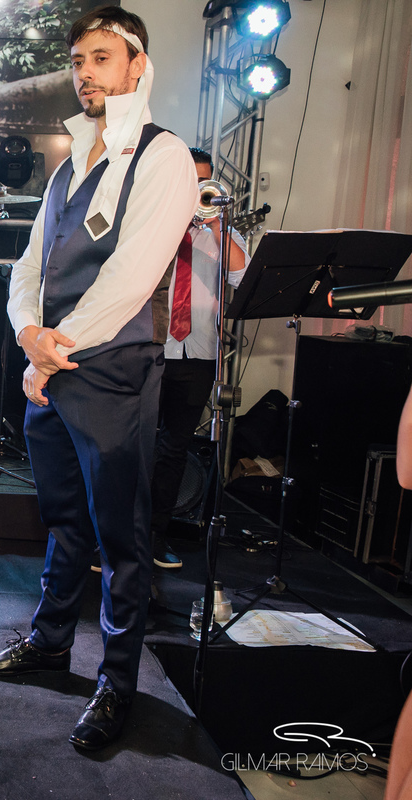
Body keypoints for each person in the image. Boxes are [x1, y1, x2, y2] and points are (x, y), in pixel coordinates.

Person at [0, 6, 197, 751]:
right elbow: (29, 266)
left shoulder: (164, 157)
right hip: (55, 370)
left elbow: (132, 278)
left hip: (113, 371)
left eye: (101, 57)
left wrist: (49, 350)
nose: (85, 71)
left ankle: (117, 685)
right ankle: (49, 645)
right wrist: (29, 335)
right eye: (77, 59)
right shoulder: (71, 163)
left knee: (121, 538)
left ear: (137, 66)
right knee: (64, 523)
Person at [149, 147, 249, 570]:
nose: (197, 191)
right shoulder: (154, 225)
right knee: (132, 446)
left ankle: (155, 537)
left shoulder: (221, 232)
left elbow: (243, 275)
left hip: (198, 353)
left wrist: (219, 223)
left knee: (173, 450)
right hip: (152, 348)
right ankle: (115, 535)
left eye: (204, 184)